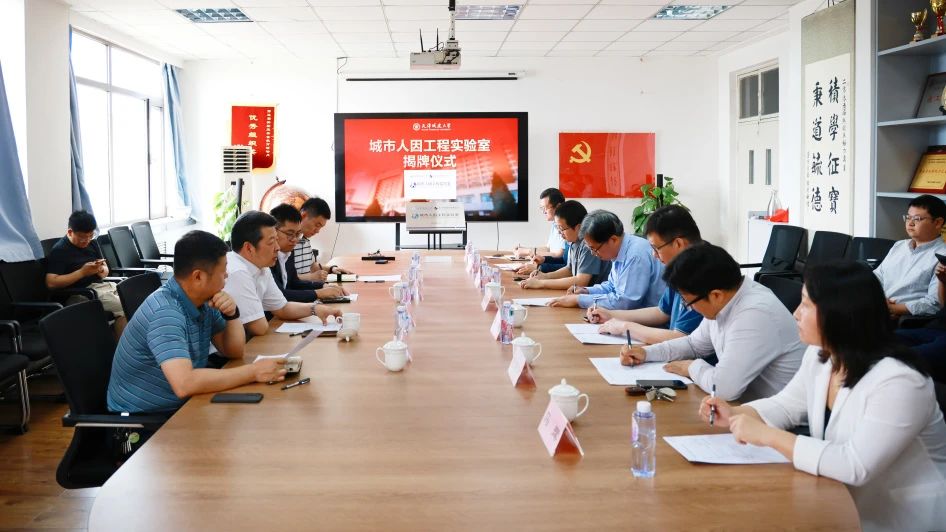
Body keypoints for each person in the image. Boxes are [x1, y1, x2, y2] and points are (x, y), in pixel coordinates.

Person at [700, 261, 946, 532]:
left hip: (906, 518)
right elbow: (786, 405)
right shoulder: (823, 355)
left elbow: (855, 465)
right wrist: (735, 413)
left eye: (806, 305)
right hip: (840, 501)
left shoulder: (900, 381)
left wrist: (768, 435)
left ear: (839, 314)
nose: (795, 313)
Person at [107, 230, 287, 414]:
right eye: (223, 270)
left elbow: (233, 351)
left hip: (184, 405)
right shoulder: (166, 313)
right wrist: (253, 372)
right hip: (145, 418)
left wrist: (232, 314)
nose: (226, 275)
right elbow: (184, 384)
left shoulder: (204, 300)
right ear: (198, 276)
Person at [621, 243, 805, 401]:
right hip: (746, 408)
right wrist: (646, 353)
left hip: (780, 422)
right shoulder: (726, 299)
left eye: (688, 302)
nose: (690, 308)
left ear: (715, 295)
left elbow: (724, 389)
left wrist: (691, 367)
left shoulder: (754, 314)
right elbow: (694, 345)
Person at [587, 205, 703, 344]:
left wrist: (626, 327)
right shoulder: (679, 267)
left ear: (678, 244)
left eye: (656, 248)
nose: (653, 255)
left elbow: (682, 339)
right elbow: (661, 312)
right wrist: (611, 315)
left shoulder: (702, 271)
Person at [224, 211, 341, 338]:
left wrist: (315, 309)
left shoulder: (262, 267)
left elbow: (282, 308)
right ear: (249, 248)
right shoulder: (237, 272)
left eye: (276, 240)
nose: (277, 247)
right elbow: (259, 327)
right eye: (271, 242)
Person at [549, 210, 665, 310]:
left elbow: (625, 302)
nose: (593, 253)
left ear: (613, 240)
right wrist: (587, 291)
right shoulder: (620, 249)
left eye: (594, 249)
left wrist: (579, 300)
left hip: (653, 322)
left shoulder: (635, 255)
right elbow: (611, 286)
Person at [45, 210, 126, 335]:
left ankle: (119, 343)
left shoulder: (92, 243)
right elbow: (51, 283)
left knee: (132, 298)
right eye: (83, 237)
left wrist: (101, 270)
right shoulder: (60, 250)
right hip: (79, 294)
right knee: (125, 306)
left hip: (101, 287)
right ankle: (121, 347)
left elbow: (105, 270)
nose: (87, 241)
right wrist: (82, 272)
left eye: (90, 236)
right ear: (70, 232)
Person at [874, 194, 946, 318]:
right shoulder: (899, 246)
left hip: (908, 318)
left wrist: (893, 309)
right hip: (879, 308)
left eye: (917, 219)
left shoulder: (943, 255)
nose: (910, 223)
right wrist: (877, 300)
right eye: (908, 217)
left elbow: (934, 303)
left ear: (938, 222)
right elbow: (877, 277)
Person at [519, 200, 610, 291]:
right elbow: (569, 270)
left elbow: (581, 281)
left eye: (561, 228)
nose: (559, 232)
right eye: (557, 228)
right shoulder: (572, 242)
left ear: (578, 227)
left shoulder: (588, 244)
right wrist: (545, 276)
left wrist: (541, 283)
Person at [269, 204, 348, 303]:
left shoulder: (288, 251)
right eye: (290, 234)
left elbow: (294, 282)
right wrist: (318, 293)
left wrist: (323, 286)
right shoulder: (267, 258)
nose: (295, 240)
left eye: (298, 234)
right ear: (273, 231)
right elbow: (280, 295)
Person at [896, 262, 946, 382]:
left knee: (904, 357)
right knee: (887, 341)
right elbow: (943, 304)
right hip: (938, 326)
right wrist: (943, 281)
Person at [293, 197, 352, 283]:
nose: (317, 231)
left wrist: (331, 269)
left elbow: (312, 266)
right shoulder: (287, 243)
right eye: (317, 225)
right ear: (303, 215)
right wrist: (311, 277)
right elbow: (285, 278)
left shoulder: (305, 241)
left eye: (320, 227)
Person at [514, 188, 568, 275]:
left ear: (558, 207)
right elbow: (548, 248)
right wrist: (526, 249)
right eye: (541, 208)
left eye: (545, 208)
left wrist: (528, 252)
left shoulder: (566, 227)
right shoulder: (554, 224)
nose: (543, 212)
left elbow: (559, 255)